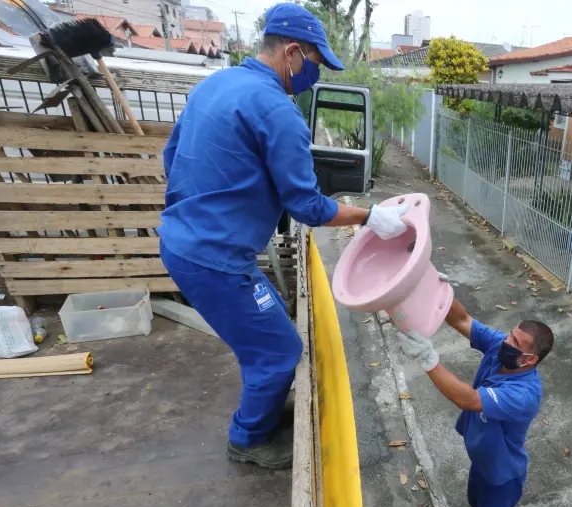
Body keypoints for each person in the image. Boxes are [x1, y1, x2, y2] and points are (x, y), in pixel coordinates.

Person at [159, 4, 411, 470]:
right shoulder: (278, 110)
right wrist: (370, 216)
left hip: (184, 240)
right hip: (214, 259)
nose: (315, 73)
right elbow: (308, 206)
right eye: (316, 62)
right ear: (292, 53)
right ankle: (249, 439)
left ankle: (265, 405)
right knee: (280, 351)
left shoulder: (215, 83)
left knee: (271, 319)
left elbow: (171, 158)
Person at [396, 299, 553, 507]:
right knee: (475, 500)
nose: (506, 342)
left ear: (530, 359)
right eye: (511, 335)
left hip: (501, 471)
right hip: (483, 456)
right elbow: (462, 320)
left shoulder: (525, 394)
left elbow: (468, 399)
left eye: (516, 342)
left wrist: (428, 359)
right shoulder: (501, 349)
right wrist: (439, 290)